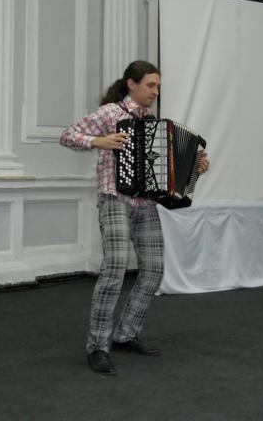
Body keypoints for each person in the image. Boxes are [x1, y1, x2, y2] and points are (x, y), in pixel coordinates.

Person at [60, 60, 209, 375]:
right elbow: (68, 135)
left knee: (154, 270)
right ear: (132, 84)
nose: (155, 92)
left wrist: (195, 166)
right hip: (114, 197)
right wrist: (98, 141)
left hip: (146, 203)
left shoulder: (154, 123)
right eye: (150, 85)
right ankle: (98, 346)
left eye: (158, 86)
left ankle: (125, 334)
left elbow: (167, 171)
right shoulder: (110, 113)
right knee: (115, 266)